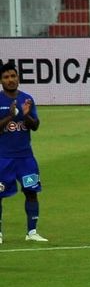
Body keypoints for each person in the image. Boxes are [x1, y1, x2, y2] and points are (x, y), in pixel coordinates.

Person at [0, 62, 47, 243]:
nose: (10, 80)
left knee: (31, 191)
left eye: (13, 76)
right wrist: (11, 116)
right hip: (4, 158)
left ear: (18, 78)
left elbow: (35, 126)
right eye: (6, 77)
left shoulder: (27, 99)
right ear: (1, 80)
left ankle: (32, 231)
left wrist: (26, 115)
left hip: (26, 158)